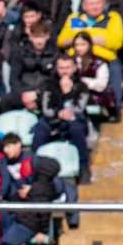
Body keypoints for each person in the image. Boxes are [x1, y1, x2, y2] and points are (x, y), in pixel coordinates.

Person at [56, 0, 123, 111]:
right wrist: (98, 37)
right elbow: (62, 41)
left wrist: (85, 36)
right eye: (91, 4)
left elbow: (116, 42)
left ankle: (114, 107)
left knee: (115, 67)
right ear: (84, 6)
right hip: (76, 58)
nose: (94, 7)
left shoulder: (112, 18)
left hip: (104, 59)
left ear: (104, 4)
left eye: (98, 3)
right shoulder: (74, 18)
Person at [32, 54, 90, 184]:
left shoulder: (81, 87)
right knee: (41, 127)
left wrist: (68, 93)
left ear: (74, 68)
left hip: (73, 119)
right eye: (61, 68)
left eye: (67, 68)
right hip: (53, 119)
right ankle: (34, 165)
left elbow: (79, 108)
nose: (64, 71)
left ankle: (83, 166)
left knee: (76, 128)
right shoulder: (49, 85)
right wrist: (58, 113)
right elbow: (46, 108)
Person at [0, 20, 57, 116]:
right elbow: (14, 78)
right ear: (30, 37)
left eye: (41, 37)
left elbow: (54, 80)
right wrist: (24, 94)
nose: (39, 41)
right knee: (5, 101)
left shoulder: (55, 54)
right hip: (23, 92)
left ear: (47, 36)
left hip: (44, 93)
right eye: (36, 37)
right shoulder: (21, 53)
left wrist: (37, 93)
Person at [71, 31, 115, 112]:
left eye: (83, 44)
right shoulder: (70, 61)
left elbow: (101, 85)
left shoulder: (98, 62)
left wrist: (84, 82)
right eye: (77, 45)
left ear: (89, 45)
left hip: (94, 98)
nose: (79, 48)